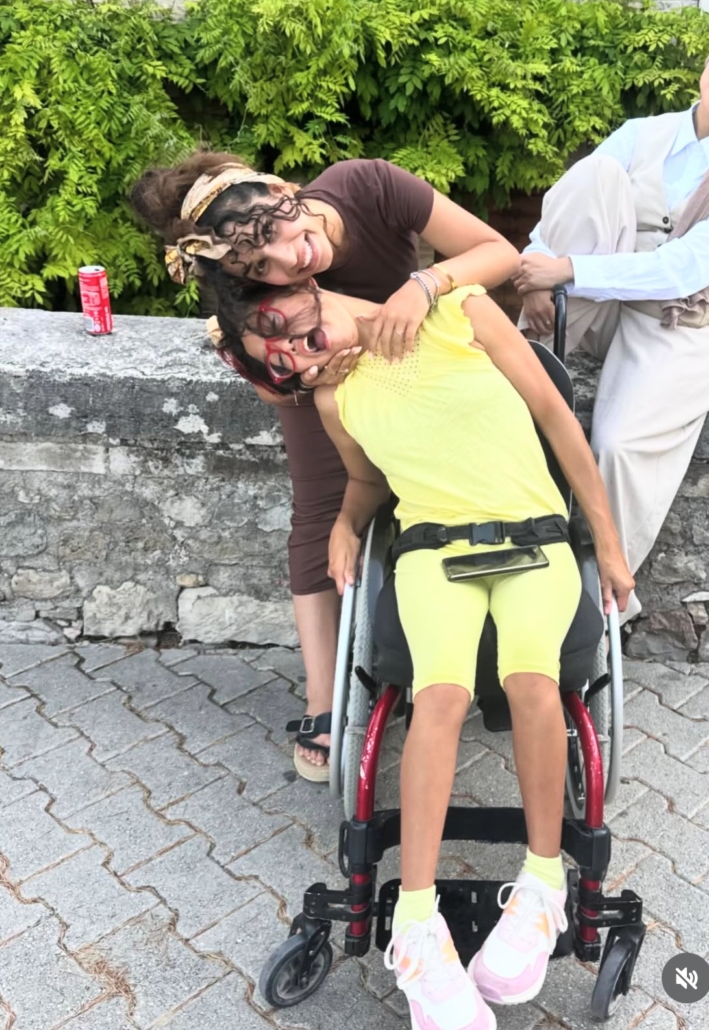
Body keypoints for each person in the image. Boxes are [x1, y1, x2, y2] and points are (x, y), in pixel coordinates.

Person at [209, 267, 633, 1030]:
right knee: (439, 697)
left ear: (302, 291)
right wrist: (346, 522)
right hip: (434, 552)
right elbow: (368, 481)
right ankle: (414, 925)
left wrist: (605, 538)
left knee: (533, 682)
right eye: (280, 365)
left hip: (534, 539)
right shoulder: (336, 398)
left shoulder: (459, 312)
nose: (295, 356)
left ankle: (543, 886)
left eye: (281, 331)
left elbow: (555, 415)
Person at [131, 154, 519, 780]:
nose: (286, 261)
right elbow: (265, 378)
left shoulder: (369, 186)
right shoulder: (243, 271)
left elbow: (499, 252)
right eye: (259, 267)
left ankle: (457, 646)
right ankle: (325, 699)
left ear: (282, 191)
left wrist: (420, 286)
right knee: (318, 508)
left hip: (424, 344)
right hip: (327, 368)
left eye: (273, 233)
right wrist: (306, 380)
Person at [512, 56, 709, 625]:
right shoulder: (643, 134)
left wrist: (568, 270)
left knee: (619, 446)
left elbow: (684, 267)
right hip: (593, 303)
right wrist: (538, 272)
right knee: (595, 175)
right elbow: (562, 212)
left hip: (679, 319)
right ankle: (522, 360)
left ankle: (591, 614)